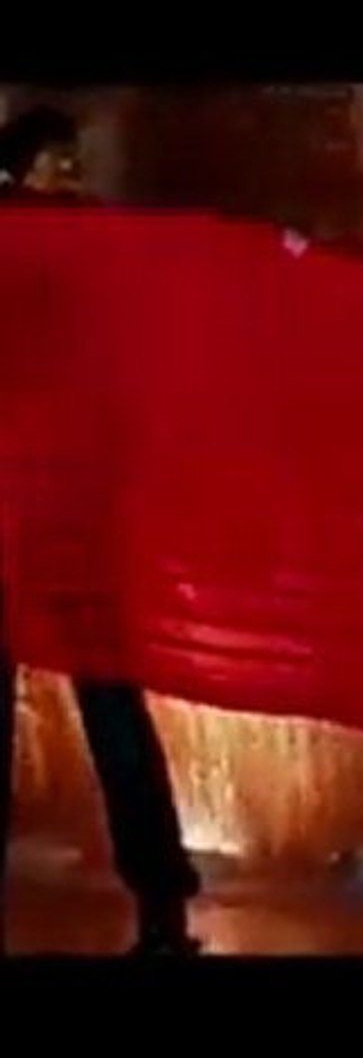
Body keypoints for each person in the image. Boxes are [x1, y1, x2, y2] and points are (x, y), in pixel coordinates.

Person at [0, 106, 201, 955]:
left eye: (74, 162)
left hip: (57, 512)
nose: (73, 175)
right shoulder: (78, 255)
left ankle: (161, 888)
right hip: (49, 510)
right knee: (112, 700)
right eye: (57, 163)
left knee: (112, 700)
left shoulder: (81, 253)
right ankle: (160, 891)